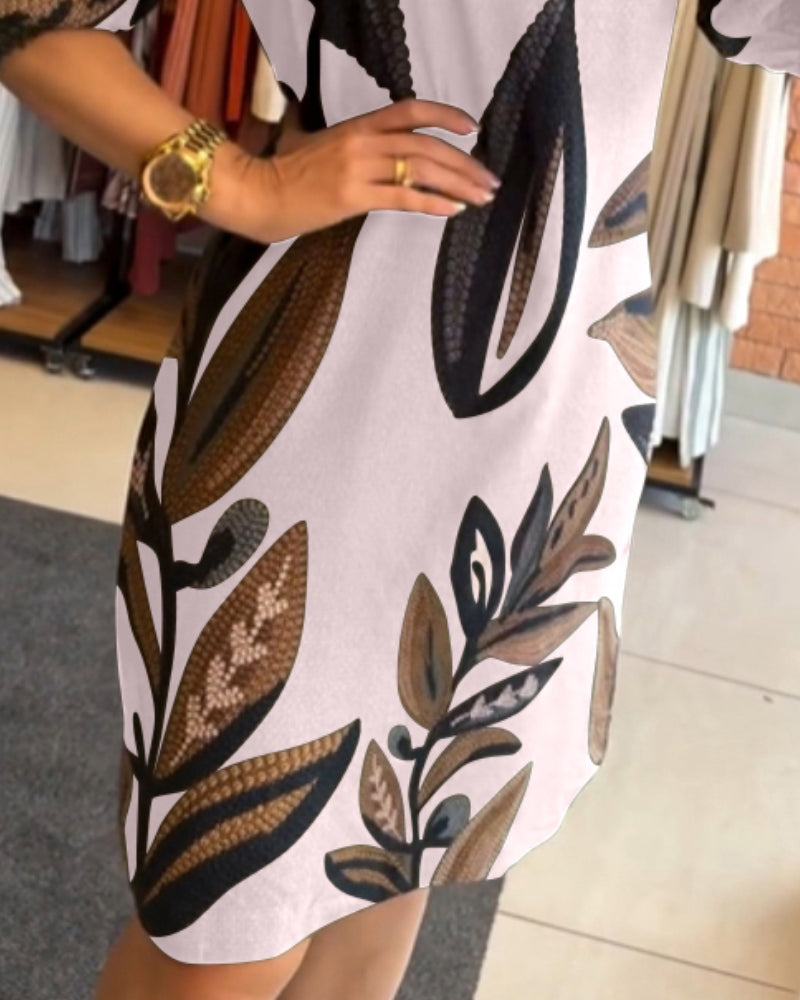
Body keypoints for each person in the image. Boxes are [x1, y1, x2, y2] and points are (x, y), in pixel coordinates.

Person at [0, 2, 796, 999]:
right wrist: (234, 180)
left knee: (389, 851)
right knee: (225, 921)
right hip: (314, 392)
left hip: (547, 423)